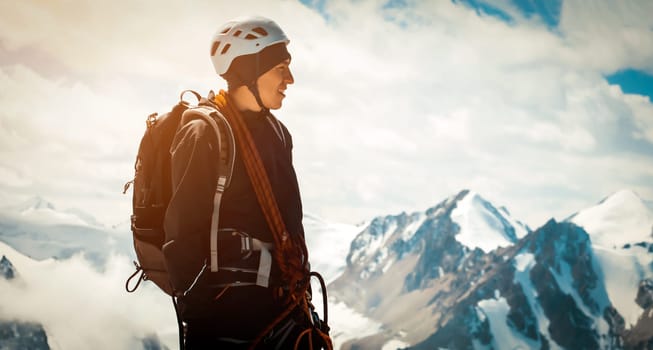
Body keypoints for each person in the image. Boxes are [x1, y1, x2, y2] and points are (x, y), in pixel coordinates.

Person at [162, 16, 330, 349]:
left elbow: (289, 223)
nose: (290, 79)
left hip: (283, 316)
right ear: (250, 69)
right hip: (227, 329)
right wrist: (208, 321)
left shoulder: (279, 134)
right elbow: (182, 239)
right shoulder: (204, 133)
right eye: (280, 67)